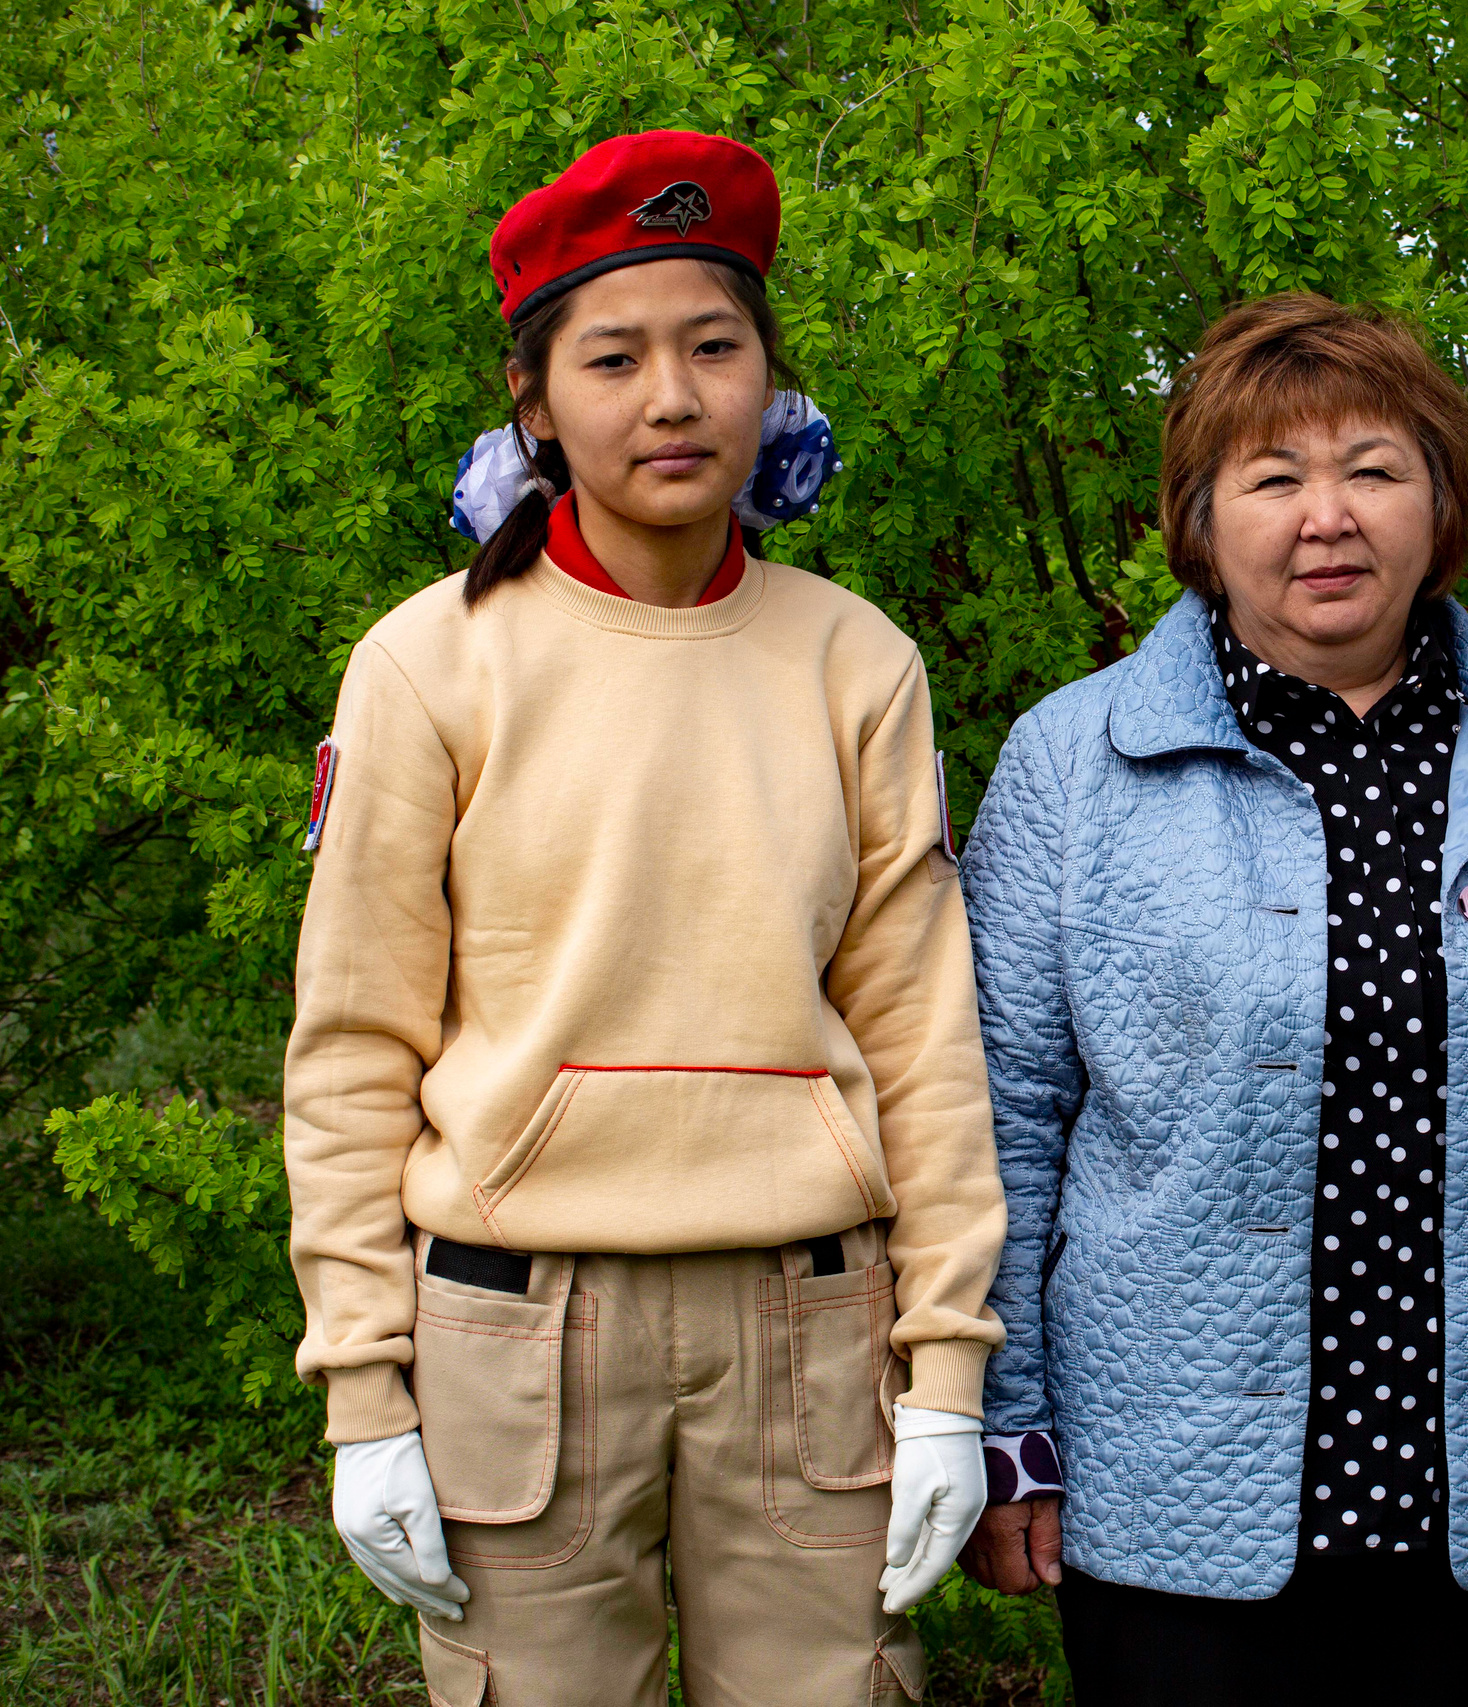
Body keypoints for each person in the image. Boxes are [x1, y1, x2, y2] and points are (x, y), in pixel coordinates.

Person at [281, 130, 1006, 1707]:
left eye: (713, 346)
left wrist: (946, 1371)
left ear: (769, 378)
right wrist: (363, 1392)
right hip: (514, 1330)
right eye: (613, 357)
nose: (670, 397)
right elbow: (352, 1050)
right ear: (536, 405)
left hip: (812, 1325)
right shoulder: (430, 665)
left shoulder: (854, 661)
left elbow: (923, 1033)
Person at [953, 292, 1468, 1707]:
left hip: (1453, 1476)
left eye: (1374, 469)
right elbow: (1000, 1113)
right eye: (1274, 479)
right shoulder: (1078, 763)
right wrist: (1007, 1428)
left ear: (1443, 503)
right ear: (1200, 520)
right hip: (1166, 1477)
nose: (1329, 517)